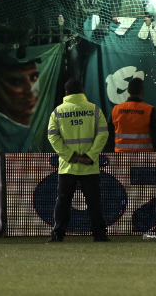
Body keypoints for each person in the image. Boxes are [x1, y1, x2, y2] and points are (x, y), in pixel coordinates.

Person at [46, 77, 111, 243]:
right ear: (82, 91)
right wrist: (90, 155)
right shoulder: (94, 110)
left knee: (62, 202)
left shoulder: (58, 112)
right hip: (90, 166)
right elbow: (103, 133)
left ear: (66, 93)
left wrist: (70, 155)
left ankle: (57, 235)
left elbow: (52, 137)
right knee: (94, 203)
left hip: (68, 166)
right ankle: (99, 235)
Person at [111, 77, 156, 152]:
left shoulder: (116, 110)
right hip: (144, 158)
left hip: (122, 158)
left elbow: (108, 135)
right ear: (142, 92)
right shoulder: (150, 111)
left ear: (128, 90)